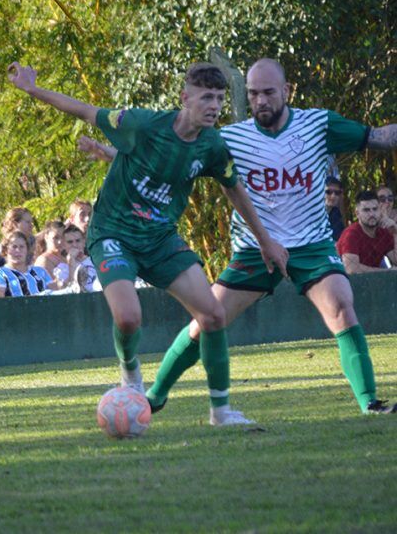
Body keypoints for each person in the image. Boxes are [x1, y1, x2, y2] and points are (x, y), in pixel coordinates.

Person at [8, 60, 288, 426]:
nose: (215, 106)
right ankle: (130, 374)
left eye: (219, 99)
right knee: (128, 318)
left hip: (159, 239)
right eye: (206, 97)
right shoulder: (142, 124)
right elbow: (84, 108)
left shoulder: (212, 144)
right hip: (113, 234)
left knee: (213, 315)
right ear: (184, 98)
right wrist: (32, 89)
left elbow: (233, 188)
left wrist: (265, 241)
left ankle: (221, 412)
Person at [145, 58, 397, 415]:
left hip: (311, 245)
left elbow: (376, 137)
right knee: (205, 321)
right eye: (253, 94)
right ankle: (153, 396)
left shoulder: (318, 124)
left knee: (341, 303)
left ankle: (369, 403)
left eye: (267, 92)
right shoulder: (229, 139)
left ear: (286, 91)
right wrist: (116, 154)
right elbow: (173, 156)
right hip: (255, 249)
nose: (260, 100)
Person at [337, 190, 397, 272]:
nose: (372, 214)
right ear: (357, 213)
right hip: (342, 282)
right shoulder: (351, 234)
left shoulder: (383, 232)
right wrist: (387, 272)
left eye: (375, 209)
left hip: (370, 282)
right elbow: (351, 269)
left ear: (380, 210)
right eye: (366, 210)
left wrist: (395, 233)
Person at [0, 230, 54, 298]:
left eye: (22, 247)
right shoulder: (0, 273)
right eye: (14, 247)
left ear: (27, 249)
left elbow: (55, 294)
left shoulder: (40, 271)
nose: (18, 250)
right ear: (6, 250)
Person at [53, 224, 101, 293]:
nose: (75, 245)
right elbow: (69, 291)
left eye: (78, 241)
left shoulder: (96, 261)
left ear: (84, 242)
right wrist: (71, 261)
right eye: (70, 242)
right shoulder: (61, 269)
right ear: (63, 245)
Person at [324, 176, 345, 241]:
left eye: (337, 193)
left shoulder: (336, 213)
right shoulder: (311, 214)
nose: (333, 196)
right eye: (328, 192)